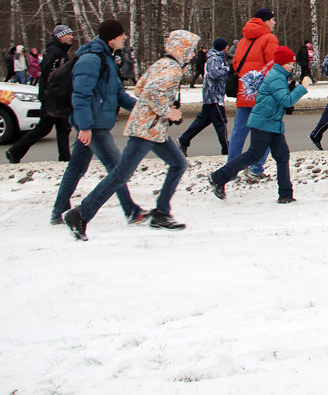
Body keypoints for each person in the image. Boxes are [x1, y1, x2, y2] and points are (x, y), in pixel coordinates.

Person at [62, 30, 199, 240]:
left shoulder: (161, 64)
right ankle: (80, 214)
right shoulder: (172, 70)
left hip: (152, 128)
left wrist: (160, 111)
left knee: (179, 164)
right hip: (146, 129)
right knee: (120, 175)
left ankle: (161, 213)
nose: (192, 55)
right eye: (190, 51)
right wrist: (170, 112)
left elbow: (139, 88)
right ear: (181, 49)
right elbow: (152, 93)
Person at [50, 19, 148, 226]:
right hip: (92, 125)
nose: (124, 38)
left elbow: (119, 94)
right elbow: (80, 95)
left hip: (95, 123)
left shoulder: (108, 59)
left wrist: (145, 109)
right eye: (121, 35)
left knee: (76, 168)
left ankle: (58, 211)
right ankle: (131, 211)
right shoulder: (91, 60)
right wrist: (84, 126)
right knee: (117, 167)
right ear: (111, 38)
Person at [209, 46, 310, 203]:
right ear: (282, 63)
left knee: (282, 155)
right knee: (254, 155)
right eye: (289, 63)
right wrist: (302, 88)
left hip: (272, 124)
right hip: (264, 123)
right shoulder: (276, 77)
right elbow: (286, 100)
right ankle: (218, 177)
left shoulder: (279, 76)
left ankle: (285, 195)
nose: (291, 66)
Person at [6, 25, 74, 164]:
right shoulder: (55, 51)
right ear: (60, 36)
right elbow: (47, 70)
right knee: (44, 127)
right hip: (52, 97)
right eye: (68, 34)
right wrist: (55, 85)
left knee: (63, 127)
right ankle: (14, 151)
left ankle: (65, 159)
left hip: (57, 96)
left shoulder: (61, 52)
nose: (71, 37)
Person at [227, 7, 279, 181]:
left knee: (239, 133)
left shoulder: (242, 41)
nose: (274, 22)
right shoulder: (269, 39)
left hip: (245, 91)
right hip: (264, 94)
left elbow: (235, 64)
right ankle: (256, 168)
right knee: (267, 132)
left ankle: (231, 169)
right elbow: (274, 66)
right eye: (272, 19)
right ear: (265, 21)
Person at [178, 37, 231, 156]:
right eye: (226, 46)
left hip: (211, 95)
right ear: (223, 47)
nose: (228, 47)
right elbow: (214, 74)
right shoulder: (215, 59)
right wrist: (228, 70)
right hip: (214, 96)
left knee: (202, 121)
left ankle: (184, 140)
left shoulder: (216, 58)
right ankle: (227, 149)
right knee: (221, 122)